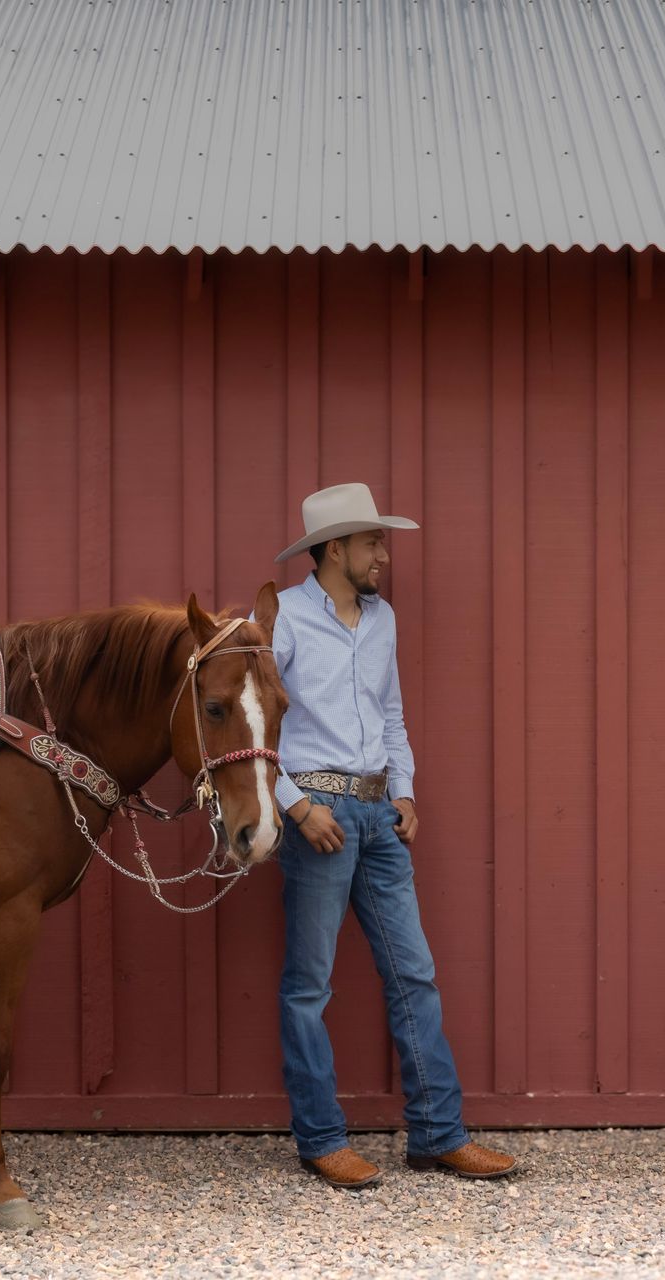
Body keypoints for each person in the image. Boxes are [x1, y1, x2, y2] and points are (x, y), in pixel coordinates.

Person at [263, 482, 519, 1189]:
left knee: (415, 973)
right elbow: (256, 728)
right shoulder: (282, 619)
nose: (385, 554)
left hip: (379, 817)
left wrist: (404, 790)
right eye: (374, 542)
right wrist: (293, 805)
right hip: (318, 816)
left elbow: (392, 714)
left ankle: (438, 1134)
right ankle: (320, 1139)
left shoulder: (384, 620)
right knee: (309, 985)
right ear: (335, 548)